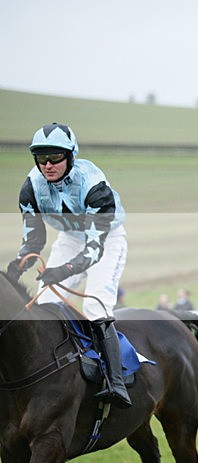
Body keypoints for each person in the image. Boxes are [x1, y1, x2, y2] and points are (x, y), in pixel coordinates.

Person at [6, 123, 132, 407]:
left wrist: (62, 271)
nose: (47, 165)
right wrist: (19, 263)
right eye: (41, 158)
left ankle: (116, 383)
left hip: (105, 239)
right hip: (71, 239)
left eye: (55, 158)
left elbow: (93, 250)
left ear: (71, 156)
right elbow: (33, 240)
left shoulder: (94, 186)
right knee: (45, 305)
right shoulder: (30, 188)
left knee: (95, 305)